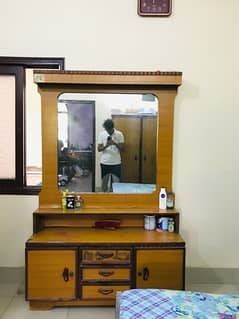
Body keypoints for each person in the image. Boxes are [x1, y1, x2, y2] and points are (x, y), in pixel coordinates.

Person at [97, 118, 124, 192]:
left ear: (112, 127)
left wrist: (114, 143)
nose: (107, 131)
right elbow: (99, 149)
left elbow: (122, 148)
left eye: (109, 130)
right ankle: (104, 198)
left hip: (116, 163)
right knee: (104, 183)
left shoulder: (119, 134)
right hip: (104, 162)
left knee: (117, 184)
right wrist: (106, 145)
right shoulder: (102, 134)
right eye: (106, 129)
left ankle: (116, 200)